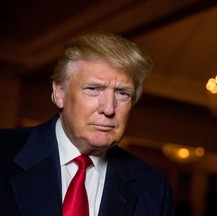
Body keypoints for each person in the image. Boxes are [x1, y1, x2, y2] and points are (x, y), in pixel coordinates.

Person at [0, 31, 173, 216]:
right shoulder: (4, 152)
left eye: (122, 93)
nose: (108, 109)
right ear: (60, 93)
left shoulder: (153, 187)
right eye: (93, 89)